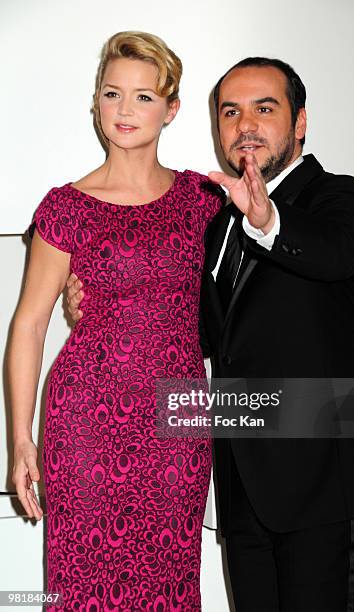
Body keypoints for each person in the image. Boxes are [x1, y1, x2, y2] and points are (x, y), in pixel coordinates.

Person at [66, 58, 354, 611]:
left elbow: (332, 253)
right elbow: (188, 328)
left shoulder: (340, 198)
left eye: (264, 109)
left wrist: (267, 221)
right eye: (231, 111)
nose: (246, 123)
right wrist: (104, 304)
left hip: (329, 486)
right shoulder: (217, 223)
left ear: (300, 122)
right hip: (245, 491)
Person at [10, 31, 224, 611]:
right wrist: (21, 439)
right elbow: (29, 324)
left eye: (144, 96)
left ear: (171, 109)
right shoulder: (64, 207)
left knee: (172, 579)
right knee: (80, 584)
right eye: (112, 94)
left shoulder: (205, 200)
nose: (126, 110)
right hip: (84, 417)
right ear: (96, 104)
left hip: (177, 417)